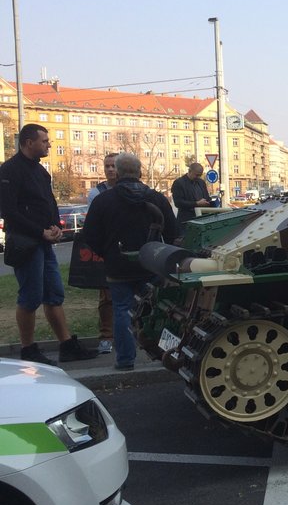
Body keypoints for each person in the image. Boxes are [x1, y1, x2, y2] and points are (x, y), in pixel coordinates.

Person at [0, 123, 97, 365]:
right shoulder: (10, 170)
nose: (49, 145)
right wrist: (40, 231)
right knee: (30, 297)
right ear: (29, 142)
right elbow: (8, 211)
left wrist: (55, 226)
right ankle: (28, 350)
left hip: (44, 242)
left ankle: (66, 346)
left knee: (54, 295)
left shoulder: (41, 171)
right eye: (44, 141)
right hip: (26, 244)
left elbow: (48, 203)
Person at [82, 152, 177, 371]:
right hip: (151, 264)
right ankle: (167, 354)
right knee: (162, 308)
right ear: (140, 172)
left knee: (122, 310)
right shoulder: (156, 198)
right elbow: (173, 234)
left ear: (119, 172)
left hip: (118, 266)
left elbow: (90, 235)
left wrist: (108, 253)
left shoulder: (103, 201)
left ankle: (125, 360)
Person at [87, 152, 119, 354]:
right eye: (107, 166)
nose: (109, 169)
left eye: (113, 166)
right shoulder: (96, 193)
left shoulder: (133, 190)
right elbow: (92, 225)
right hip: (107, 250)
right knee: (106, 296)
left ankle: (132, 334)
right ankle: (106, 336)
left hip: (129, 248)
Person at [171, 162, 209, 234]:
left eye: (200, 175)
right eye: (196, 175)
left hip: (202, 219)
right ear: (189, 171)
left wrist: (209, 202)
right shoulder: (179, 183)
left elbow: (206, 197)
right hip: (186, 221)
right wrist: (196, 203)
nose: (198, 177)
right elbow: (178, 202)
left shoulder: (201, 182)